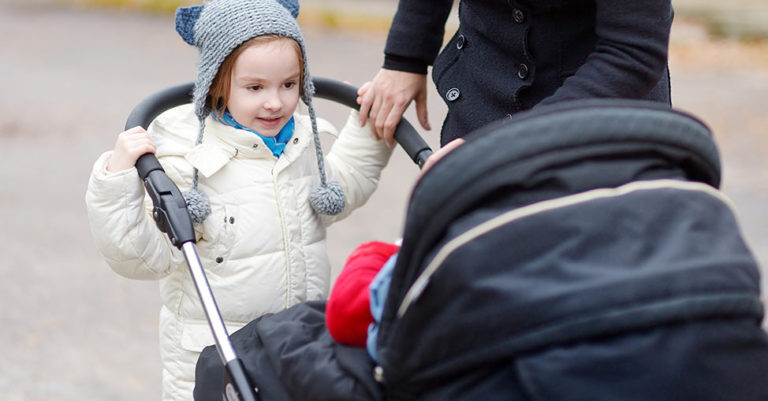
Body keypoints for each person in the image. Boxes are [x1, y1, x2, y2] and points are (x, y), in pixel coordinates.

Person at [84, 1, 392, 400]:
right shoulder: (186, 163)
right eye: (255, 87)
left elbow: (344, 185)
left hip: (294, 353)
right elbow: (141, 256)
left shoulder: (300, 148)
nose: (275, 102)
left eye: (289, 84)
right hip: (216, 364)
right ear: (217, 84)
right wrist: (117, 178)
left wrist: (368, 126)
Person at [357, 0, 674, 147]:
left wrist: (505, 146)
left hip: (598, 126)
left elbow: (633, 53)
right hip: (481, 101)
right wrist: (405, 57)